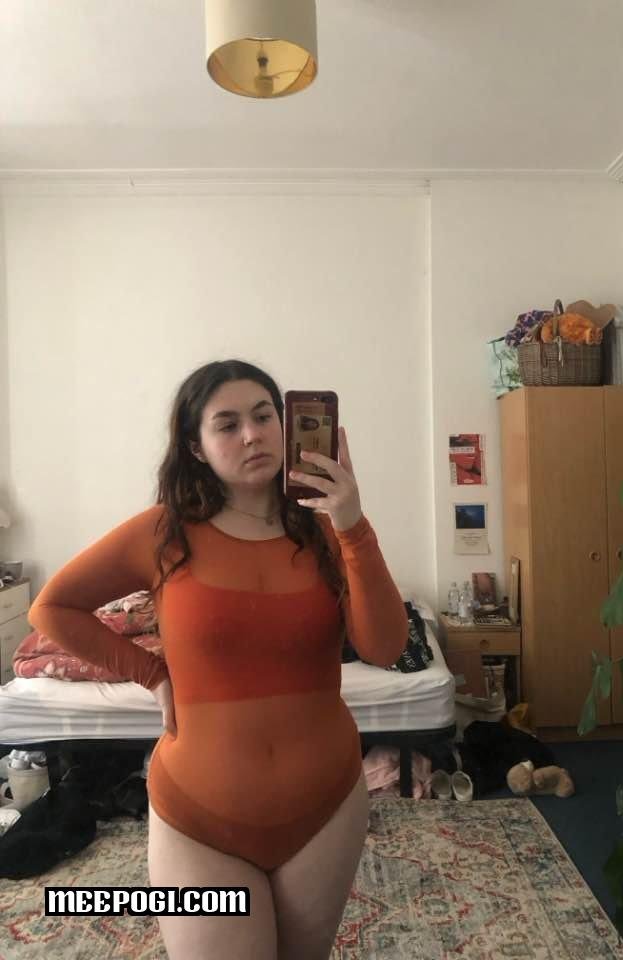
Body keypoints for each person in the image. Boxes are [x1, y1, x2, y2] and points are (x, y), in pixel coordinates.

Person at [28, 359, 409, 960]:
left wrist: (352, 523)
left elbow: (384, 648)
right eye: (227, 425)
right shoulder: (164, 532)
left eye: (263, 416)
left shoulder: (328, 532)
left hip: (327, 808)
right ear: (196, 447)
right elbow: (52, 609)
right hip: (199, 820)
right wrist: (152, 675)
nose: (252, 435)